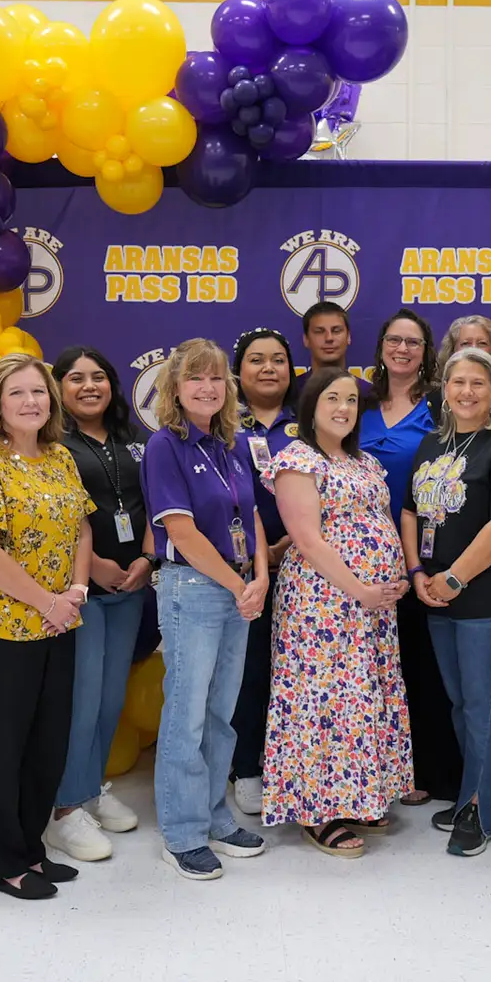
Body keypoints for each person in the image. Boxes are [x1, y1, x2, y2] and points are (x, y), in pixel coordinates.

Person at [0, 355, 96, 900]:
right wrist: (46, 602)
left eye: (39, 392)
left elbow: (82, 529)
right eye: (18, 393)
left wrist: (75, 594)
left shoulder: (60, 457)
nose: (32, 402)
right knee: (0, 749)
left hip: (58, 626)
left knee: (45, 744)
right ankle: (3, 861)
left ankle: (31, 848)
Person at [260, 369, 412, 857]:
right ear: (310, 405)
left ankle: (356, 794)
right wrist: (360, 589)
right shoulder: (297, 459)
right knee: (321, 700)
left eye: (351, 399)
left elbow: (380, 522)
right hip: (322, 603)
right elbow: (307, 540)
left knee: (361, 694)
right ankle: (318, 811)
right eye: (333, 398)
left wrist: (391, 577)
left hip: (371, 606)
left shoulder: (365, 461)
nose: (344, 407)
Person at [144, 338, 271, 881]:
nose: (208, 387)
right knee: (187, 712)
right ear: (175, 387)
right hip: (193, 588)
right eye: (196, 378)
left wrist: (260, 575)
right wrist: (236, 582)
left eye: (217, 378)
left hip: (238, 587)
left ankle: (216, 816)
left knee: (221, 712)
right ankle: (182, 832)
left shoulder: (233, 446)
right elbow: (181, 530)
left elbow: (254, 518)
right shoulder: (164, 446)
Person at [402, 347, 491, 857]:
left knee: (484, 706)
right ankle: (483, 794)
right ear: (444, 389)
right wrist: (419, 572)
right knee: (461, 703)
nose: (467, 392)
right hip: (437, 596)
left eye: (478, 383)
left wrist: (454, 578)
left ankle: (479, 808)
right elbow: (412, 511)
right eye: (458, 382)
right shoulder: (432, 444)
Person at [44, 347, 151, 862]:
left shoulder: (136, 442)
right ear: (58, 388)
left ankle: (88, 790)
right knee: (81, 702)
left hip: (131, 586)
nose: (90, 386)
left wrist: (147, 560)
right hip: (79, 588)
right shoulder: (51, 443)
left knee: (110, 700)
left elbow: (158, 502)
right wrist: (97, 570)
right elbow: (54, 521)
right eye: (77, 378)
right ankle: (64, 810)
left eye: (100, 377)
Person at [361, 309, 454, 808]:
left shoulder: (439, 405)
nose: (402, 349)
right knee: (371, 666)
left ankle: (420, 769)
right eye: (393, 340)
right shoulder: (359, 401)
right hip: (360, 557)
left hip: (422, 553)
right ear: (380, 347)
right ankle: (374, 770)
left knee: (420, 663)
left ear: (426, 351)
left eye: (413, 342)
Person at [225, 328, 298, 816]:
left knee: (295, 672)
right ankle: (246, 767)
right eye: (257, 360)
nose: (268, 368)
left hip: (303, 564)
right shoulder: (222, 423)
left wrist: (287, 544)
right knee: (246, 670)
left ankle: (289, 764)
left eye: (278, 359)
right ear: (239, 370)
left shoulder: (307, 419)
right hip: (241, 569)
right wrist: (257, 554)